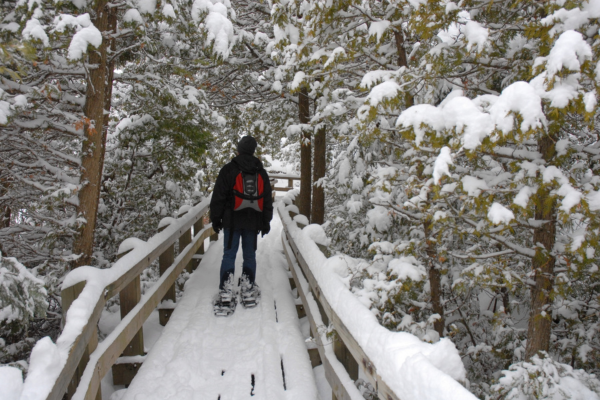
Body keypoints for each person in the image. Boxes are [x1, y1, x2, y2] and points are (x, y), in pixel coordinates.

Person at [209, 136, 273, 315]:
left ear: (238, 150)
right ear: (253, 150)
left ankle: (226, 289)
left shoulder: (229, 169)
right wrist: (266, 221)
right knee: (249, 255)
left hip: (231, 219)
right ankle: (247, 286)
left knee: (229, 254)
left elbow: (218, 196)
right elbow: (267, 199)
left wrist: (216, 218)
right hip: (253, 221)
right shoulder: (260, 171)